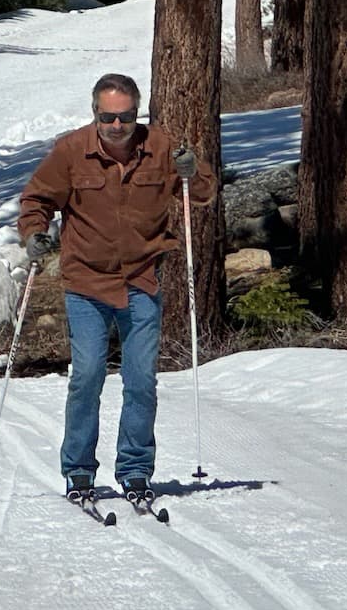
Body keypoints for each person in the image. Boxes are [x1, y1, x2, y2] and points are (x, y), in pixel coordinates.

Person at [17, 73, 216, 504]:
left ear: (136, 114)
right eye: (108, 117)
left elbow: (201, 192)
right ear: (95, 114)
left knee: (141, 379)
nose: (116, 125)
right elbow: (36, 200)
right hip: (86, 282)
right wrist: (35, 233)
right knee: (87, 377)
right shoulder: (72, 150)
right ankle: (79, 471)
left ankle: (136, 469)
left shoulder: (161, 146)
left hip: (141, 280)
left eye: (125, 117)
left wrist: (192, 169)